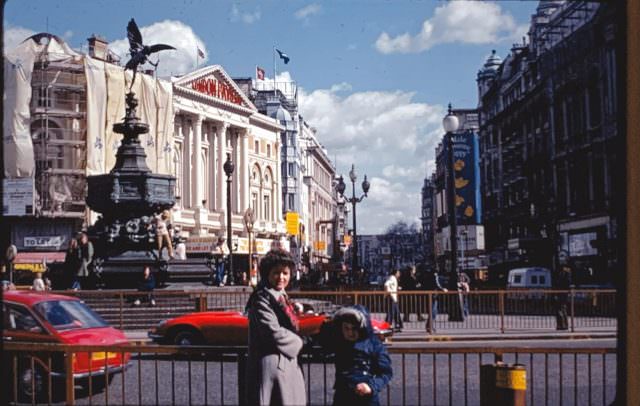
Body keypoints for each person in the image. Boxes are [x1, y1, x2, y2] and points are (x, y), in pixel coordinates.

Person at [245, 249, 306, 405]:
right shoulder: (261, 298)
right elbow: (273, 333)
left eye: (285, 273)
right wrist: (299, 342)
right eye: (276, 273)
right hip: (272, 365)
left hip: (285, 363)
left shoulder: (280, 295)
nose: (281, 277)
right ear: (267, 274)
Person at [319, 305, 393, 406]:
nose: (350, 332)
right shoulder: (340, 342)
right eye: (346, 328)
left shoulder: (374, 345)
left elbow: (386, 373)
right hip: (342, 396)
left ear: (362, 328)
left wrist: (371, 386)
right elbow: (323, 340)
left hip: (366, 398)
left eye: (354, 329)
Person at [554, 265, 572, 330]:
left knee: (561, 308)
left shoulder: (566, 272)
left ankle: (562, 325)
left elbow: (567, 283)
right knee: (561, 308)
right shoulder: (563, 272)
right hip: (561, 293)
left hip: (563, 293)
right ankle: (562, 324)